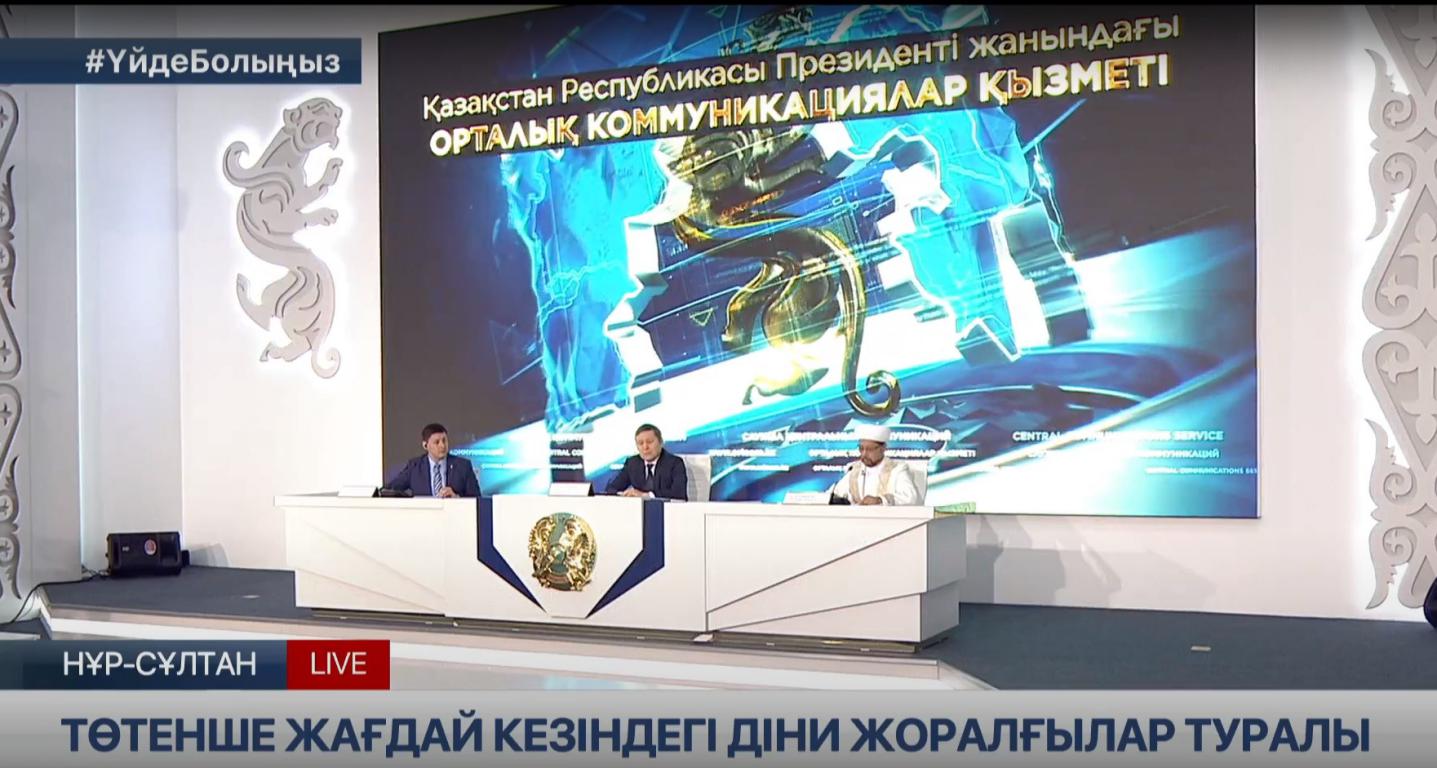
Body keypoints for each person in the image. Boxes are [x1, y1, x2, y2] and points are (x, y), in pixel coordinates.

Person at [829, 423, 921, 506]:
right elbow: (834, 494)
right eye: (861, 449)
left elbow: (911, 498)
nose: (864, 454)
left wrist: (880, 500)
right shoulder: (854, 469)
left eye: (869, 449)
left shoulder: (897, 470)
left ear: (883, 449)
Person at [384, 423, 482, 498]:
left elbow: (477, 499)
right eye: (437, 442)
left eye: (444, 441)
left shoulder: (463, 466)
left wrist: (456, 498)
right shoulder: (414, 467)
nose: (442, 446)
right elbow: (390, 490)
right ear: (425, 445)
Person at [605, 423, 688, 500]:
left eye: (650, 442)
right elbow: (611, 489)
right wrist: (624, 494)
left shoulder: (674, 463)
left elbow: (679, 494)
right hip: (637, 509)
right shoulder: (632, 463)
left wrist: (646, 495)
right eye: (640, 443)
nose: (645, 447)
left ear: (661, 442)